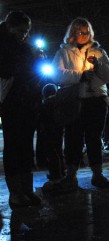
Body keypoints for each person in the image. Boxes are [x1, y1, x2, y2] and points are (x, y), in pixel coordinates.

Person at [52, 17, 109, 190]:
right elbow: (56, 74)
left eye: (86, 32)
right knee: (73, 138)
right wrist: (79, 75)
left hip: (96, 101)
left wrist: (98, 65)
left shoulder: (98, 51)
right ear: (72, 33)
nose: (83, 35)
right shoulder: (63, 52)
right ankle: (71, 176)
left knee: (94, 139)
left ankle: (97, 174)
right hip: (75, 101)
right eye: (79, 32)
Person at [0, 11, 42, 208]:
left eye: (27, 31)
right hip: (11, 102)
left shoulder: (23, 46)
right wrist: (28, 58)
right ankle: (15, 193)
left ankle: (27, 189)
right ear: (9, 26)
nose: (25, 34)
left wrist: (37, 60)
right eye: (22, 31)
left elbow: (32, 73)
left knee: (26, 147)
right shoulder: (4, 45)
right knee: (13, 147)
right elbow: (7, 70)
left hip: (28, 102)